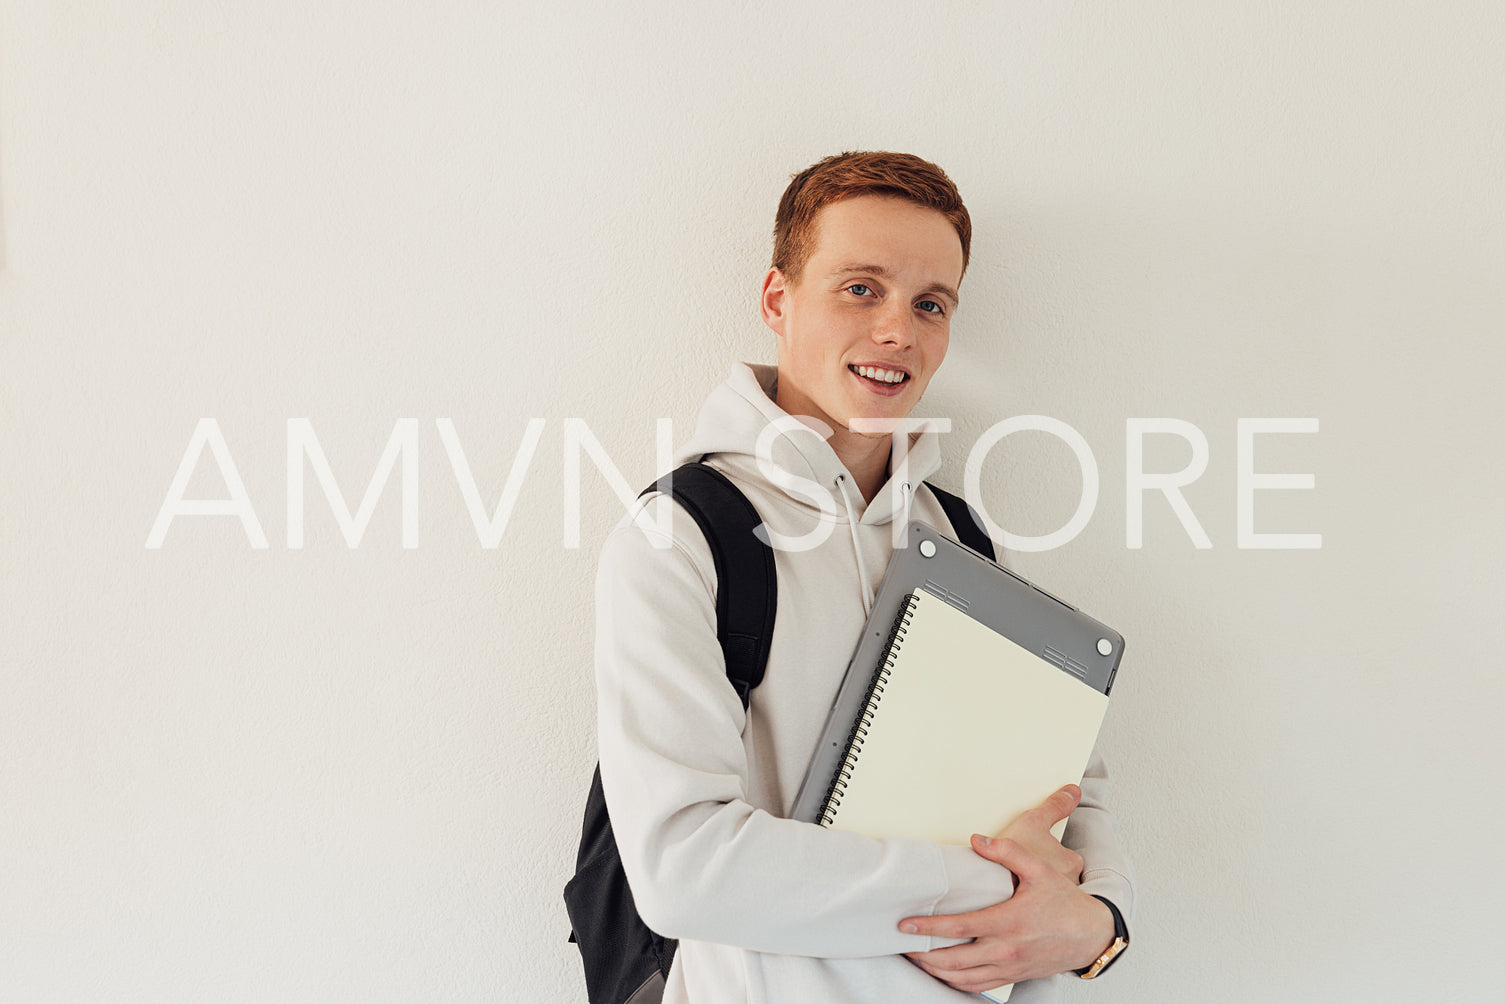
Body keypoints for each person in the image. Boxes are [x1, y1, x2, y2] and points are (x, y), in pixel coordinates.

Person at [592, 151, 1134, 1003]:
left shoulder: (960, 539)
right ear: (778, 298)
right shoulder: (682, 534)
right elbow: (682, 869)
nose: (897, 332)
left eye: (930, 304)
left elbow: (1073, 786)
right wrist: (996, 892)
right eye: (860, 288)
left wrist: (1097, 922)